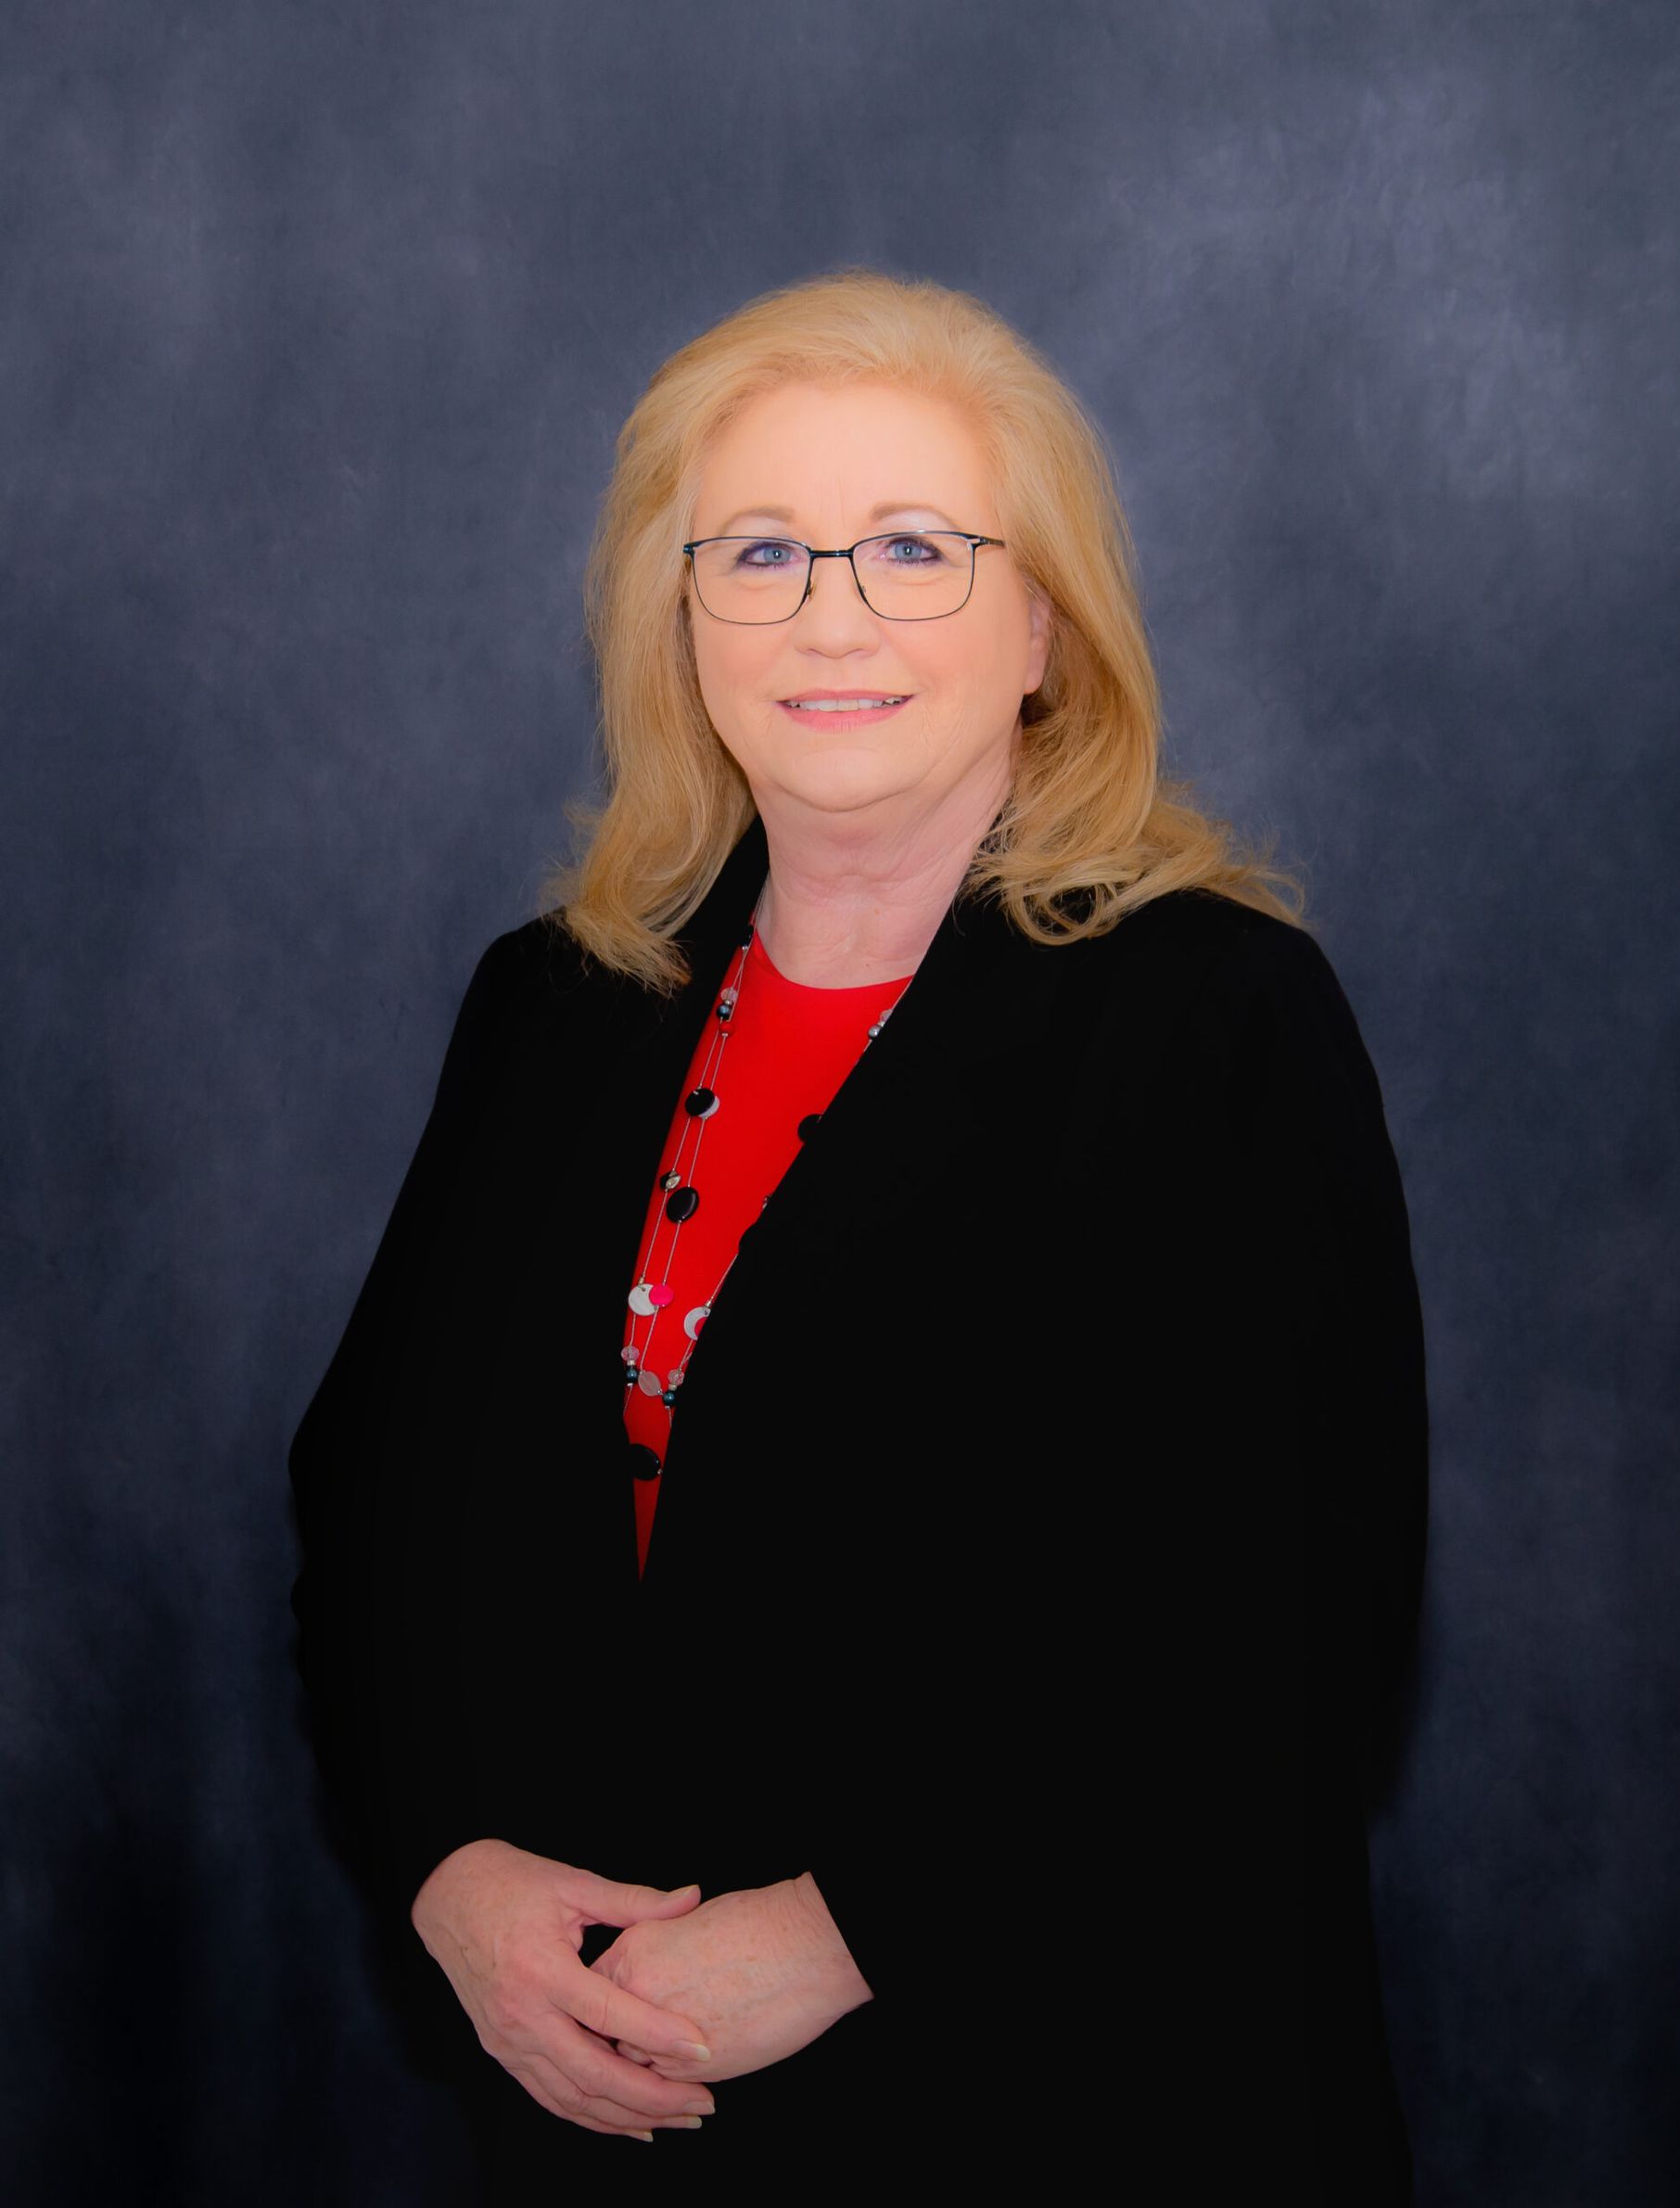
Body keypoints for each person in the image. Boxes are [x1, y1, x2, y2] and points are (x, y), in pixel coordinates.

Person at [286, 265, 1429, 2202]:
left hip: (1080, 2093)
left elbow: (1288, 1626)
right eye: (761, 552)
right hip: (619, 2114)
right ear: (680, 616)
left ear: (1045, 626)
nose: (833, 616)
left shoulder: (1213, 1017)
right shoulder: (557, 1008)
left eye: (914, 548)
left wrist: (854, 1926)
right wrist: (448, 1871)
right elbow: (366, 1513)